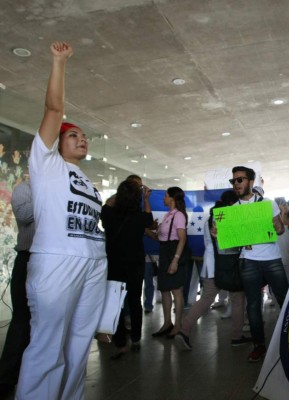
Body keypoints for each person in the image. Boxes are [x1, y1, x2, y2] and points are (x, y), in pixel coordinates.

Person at [16, 42, 108, 400]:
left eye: (84, 136)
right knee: (48, 346)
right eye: (74, 134)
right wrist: (59, 61)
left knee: (78, 346)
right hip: (56, 262)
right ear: (56, 142)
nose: (82, 138)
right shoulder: (45, 163)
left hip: (93, 264)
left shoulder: (87, 180)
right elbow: (54, 108)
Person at [175, 191, 250, 350]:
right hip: (230, 265)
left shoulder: (210, 219)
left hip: (211, 264)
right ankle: (237, 336)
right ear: (232, 203)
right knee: (237, 299)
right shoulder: (231, 217)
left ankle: (184, 330)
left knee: (206, 299)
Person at [230, 166, 288, 362]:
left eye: (240, 180)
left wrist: (279, 226)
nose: (236, 184)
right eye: (234, 181)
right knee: (253, 306)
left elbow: (279, 231)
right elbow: (232, 242)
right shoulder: (232, 210)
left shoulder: (267, 204)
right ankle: (259, 346)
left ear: (251, 182)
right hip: (248, 261)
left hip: (271, 258)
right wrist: (219, 234)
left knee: (285, 300)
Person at [101, 179, 153, 358]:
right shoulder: (140, 217)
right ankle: (136, 339)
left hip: (115, 264)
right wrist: (145, 198)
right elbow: (149, 218)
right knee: (134, 302)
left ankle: (120, 342)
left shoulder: (108, 214)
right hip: (135, 264)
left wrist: (123, 192)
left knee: (116, 304)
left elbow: (107, 204)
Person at [0, 181, 33, 398]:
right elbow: (23, 215)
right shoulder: (26, 189)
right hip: (29, 258)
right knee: (22, 320)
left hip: (56, 261)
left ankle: (33, 374)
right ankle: (6, 379)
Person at [148, 187, 190, 339]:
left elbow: (182, 238)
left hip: (173, 254)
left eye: (165, 196)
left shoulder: (178, 215)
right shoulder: (168, 215)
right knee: (165, 290)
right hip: (165, 253)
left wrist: (175, 260)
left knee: (176, 291)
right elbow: (160, 237)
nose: (163, 198)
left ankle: (178, 324)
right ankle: (167, 323)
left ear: (172, 198)